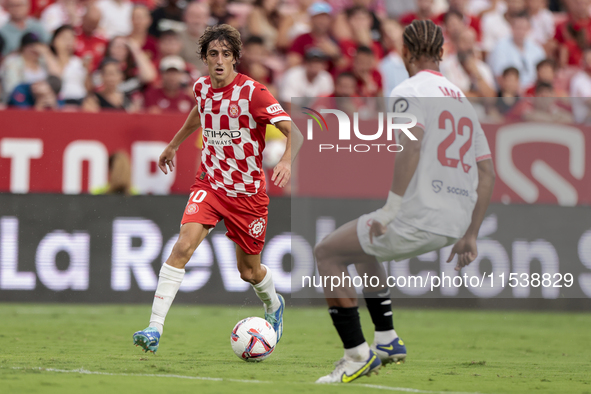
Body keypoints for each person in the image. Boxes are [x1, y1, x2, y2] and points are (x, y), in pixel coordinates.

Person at [314, 19, 495, 384]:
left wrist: (392, 208)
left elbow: (410, 145)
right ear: (443, 53)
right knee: (363, 251)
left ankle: (356, 356)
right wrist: (471, 234)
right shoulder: (463, 100)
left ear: (405, 52)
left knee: (327, 253)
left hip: (418, 214)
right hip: (456, 222)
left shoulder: (407, 89)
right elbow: (487, 172)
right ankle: (387, 340)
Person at [132, 24, 304, 354]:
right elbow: (200, 112)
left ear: (236, 59)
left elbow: (294, 130)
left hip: (248, 194)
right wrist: (174, 144)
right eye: (213, 54)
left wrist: (285, 162)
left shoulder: (254, 93)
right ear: (204, 59)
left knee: (248, 271)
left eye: (226, 54)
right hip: (210, 185)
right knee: (183, 246)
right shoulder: (201, 88)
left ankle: (274, 303)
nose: (220, 60)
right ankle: (154, 328)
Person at [279, 47, 334, 112]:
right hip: (291, 113)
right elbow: (288, 104)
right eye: (311, 61)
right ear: (305, 63)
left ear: (324, 65)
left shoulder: (326, 77)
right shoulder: (292, 75)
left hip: (313, 113)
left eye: (318, 62)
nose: (315, 65)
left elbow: (326, 103)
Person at [50, 24, 87, 105]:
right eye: (64, 38)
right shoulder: (49, 60)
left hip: (80, 100)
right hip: (60, 102)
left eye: (71, 38)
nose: (68, 42)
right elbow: (55, 80)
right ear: (54, 40)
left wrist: (88, 70)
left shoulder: (78, 62)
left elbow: (88, 87)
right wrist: (61, 53)